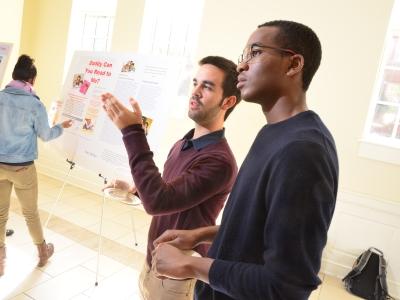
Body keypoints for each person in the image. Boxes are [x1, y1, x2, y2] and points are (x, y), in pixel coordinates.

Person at [152, 20, 339, 300]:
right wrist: (200, 235)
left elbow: (286, 286)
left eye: (256, 52)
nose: (241, 66)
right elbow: (258, 228)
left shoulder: (303, 151)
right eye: (244, 56)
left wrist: (190, 264)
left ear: (293, 64)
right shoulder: (274, 133)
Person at [101, 56, 241, 300]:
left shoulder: (219, 161)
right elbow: (166, 194)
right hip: (153, 258)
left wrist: (132, 132)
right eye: (195, 83)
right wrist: (134, 189)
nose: (195, 92)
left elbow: (158, 201)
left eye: (207, 86)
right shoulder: (184, 142)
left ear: (228, 101)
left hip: (176, 274)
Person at [0, 54, 72, 277]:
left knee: (0, 213)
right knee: (30, 213)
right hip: (23, 168)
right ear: (31, 79)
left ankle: (0, 259)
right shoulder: (34, 104)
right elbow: (46, 135)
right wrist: (61, 126)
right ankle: (42, 252)